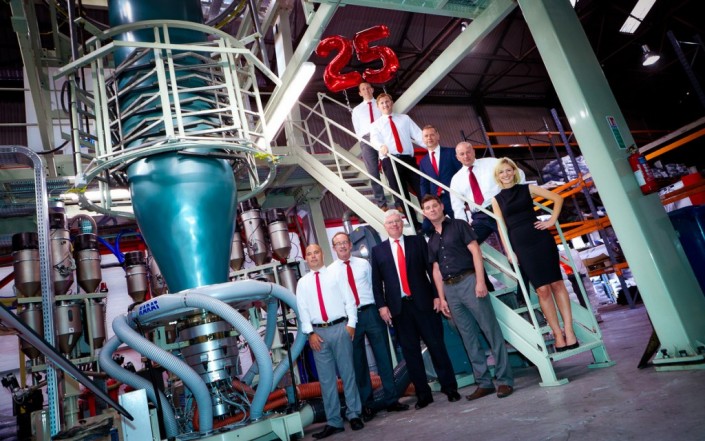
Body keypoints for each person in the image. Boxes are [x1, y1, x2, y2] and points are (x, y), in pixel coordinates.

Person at [422, 194, 514, 401]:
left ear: (441, 206)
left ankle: (504, 381)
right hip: (450, 289)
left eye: (434, 206)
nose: (432, 210)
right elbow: (435, 270)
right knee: (468, 337)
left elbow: (475, 252)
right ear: (424, 213)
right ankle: (484, 383)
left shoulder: (459, 225)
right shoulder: (432, 239)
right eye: (427, 208)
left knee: (491, 332)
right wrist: (442, 297)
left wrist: (480, 281)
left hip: (470, 282)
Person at [370, 210, 461, 410]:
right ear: (385, 226)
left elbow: (431, 270)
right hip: (399, 309)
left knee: (437, 345)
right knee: (411, 353)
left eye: (397, 221)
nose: (394, 225)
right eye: (390, 222)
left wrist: (438, 295)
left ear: (402, 224)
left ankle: (450, 388)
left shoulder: (417, 241)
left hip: (424, 303)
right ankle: (423, 394)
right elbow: (376, 283)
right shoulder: (378, 251)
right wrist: (382, 306)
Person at [490, 158, 579, 352]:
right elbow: (501, 226)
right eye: (501, 172)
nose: (505, 174)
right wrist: (509, 251)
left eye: (508, 170)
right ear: (497, 177)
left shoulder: (527, 189)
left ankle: (569, 331)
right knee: (542, 290)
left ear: (514, 171)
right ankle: (557, 334)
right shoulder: (496, 200)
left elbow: (558, 198)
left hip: (542, 239)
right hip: (521, 245)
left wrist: (551, 221)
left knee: (557, 284)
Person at [330, 232, 409, 421]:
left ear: (350, 244)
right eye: (338, 244)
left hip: (371, 312)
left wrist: (382, 308)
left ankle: (392, 399)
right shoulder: (331, 272)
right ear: (334, 248)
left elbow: (376, 287)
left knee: (383, 356)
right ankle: (367, 405)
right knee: (358, 362)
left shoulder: (363, 264)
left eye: (344, 243)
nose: (342, 246)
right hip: (350, 319)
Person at [296, 244, 364, 439]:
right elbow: (303, 311)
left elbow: (349, 300)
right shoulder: (303, 283)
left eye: (316, 252)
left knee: (347, 373)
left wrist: (351, 324)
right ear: (306, 259)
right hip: (318, 335)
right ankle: (334, 421)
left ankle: (354, 414)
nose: (313, 256)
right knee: (326, 381)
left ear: (322, 254)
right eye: (309, 254)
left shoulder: (336, 274)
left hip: (340, 329)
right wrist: (310, 333)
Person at [370, 93, 425, 230]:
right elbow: (374, 139)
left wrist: (430, 146)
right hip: (390, 160)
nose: (385, 105)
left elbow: (418, 135)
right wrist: (381, 146)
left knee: (422, 189)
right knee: (401, 195)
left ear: (392, 102)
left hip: (408, 159)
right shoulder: (376, 125)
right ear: (378, 106)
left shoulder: (404, 119)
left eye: (387, 101)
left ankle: (430, 219)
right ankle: (415, 224)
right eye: (382, 103)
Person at [418, 125, 462, 234]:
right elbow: (424, 184)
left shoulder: (451, 152)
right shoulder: (423, 162)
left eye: (432, 134)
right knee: (427, 228)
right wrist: (425, 203)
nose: (429, 138)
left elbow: (461, 173)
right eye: (426, 136)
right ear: (423, 139)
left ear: (438, 136)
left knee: (460, 226)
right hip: (435, 201)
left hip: (453, 197)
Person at [351, 82, 387, 210]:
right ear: (360, 93)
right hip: (366, 140)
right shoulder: (356, 110)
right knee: (373, 172)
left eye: (368, 88)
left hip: (382, 137)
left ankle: (400, 202)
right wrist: (363, 141)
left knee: (389, 169)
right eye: (363, 89)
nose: (366, 90)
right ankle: (382, 203)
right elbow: (357, 128)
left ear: (372, 89)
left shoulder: (380, 104)